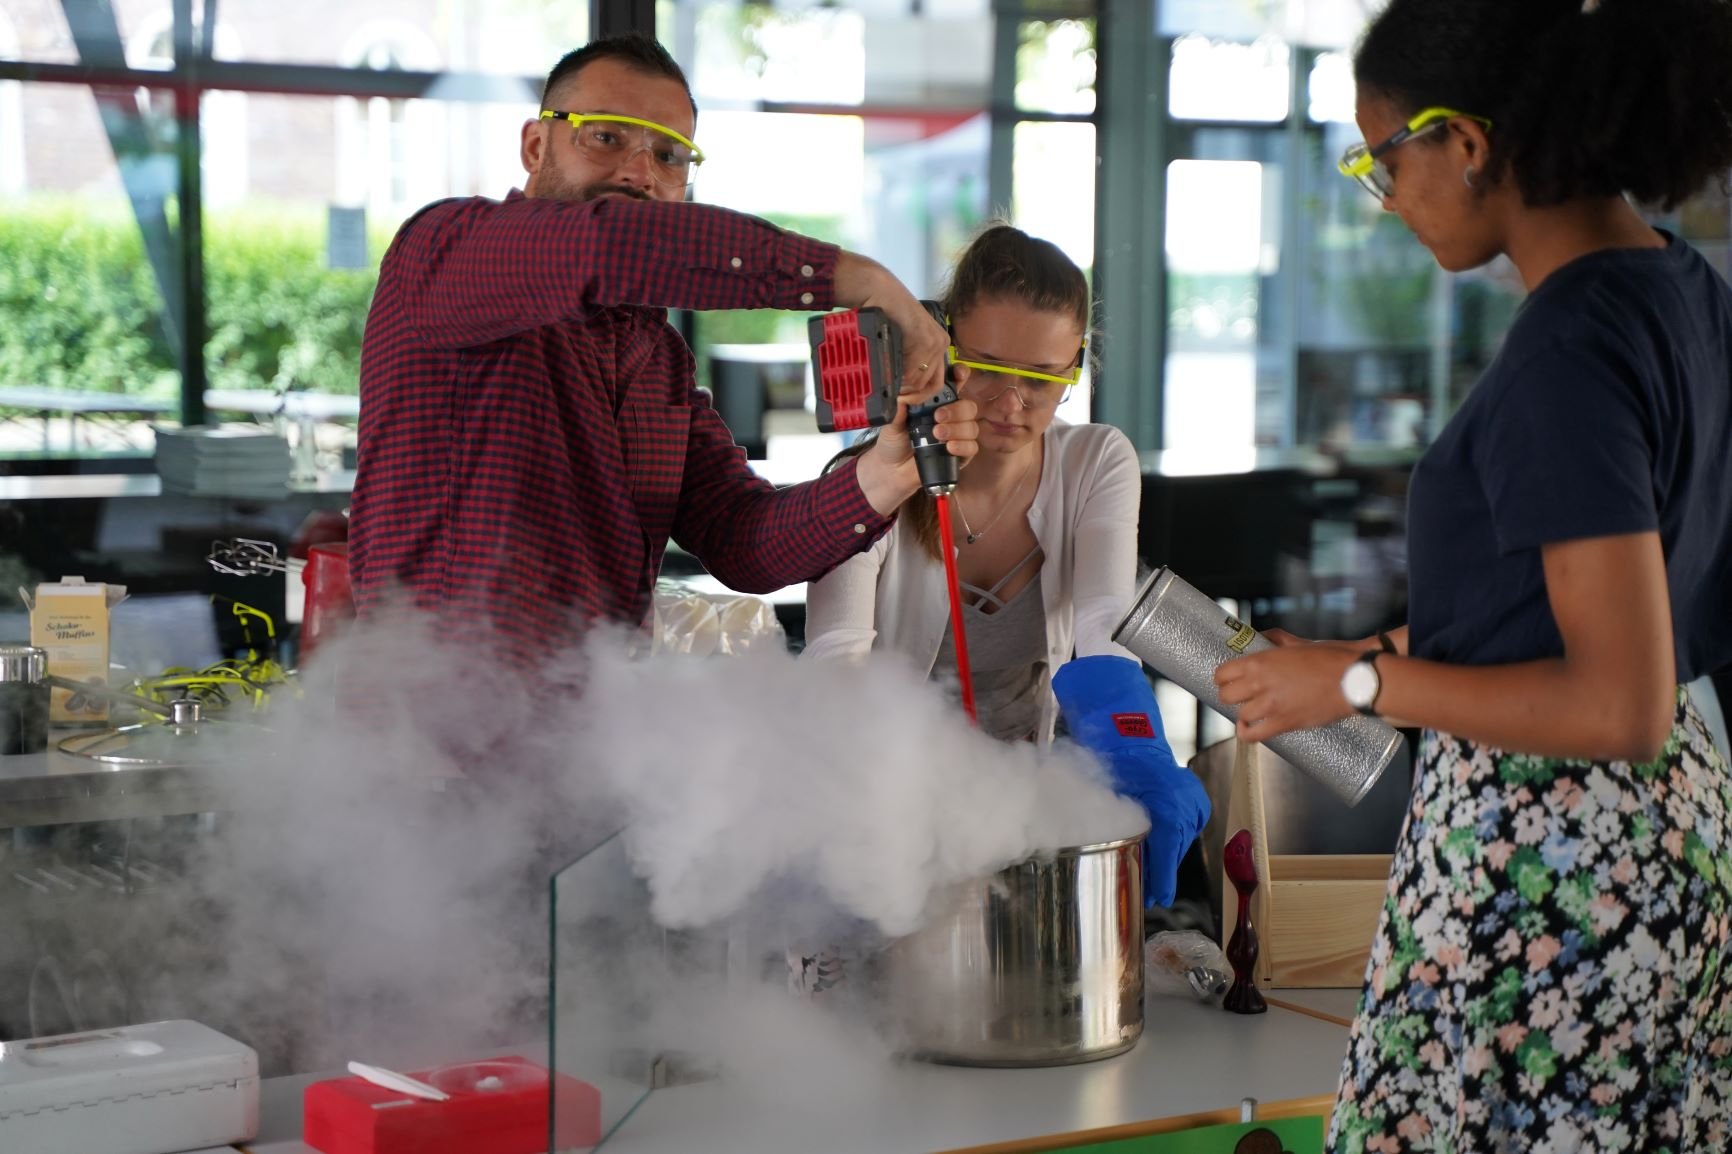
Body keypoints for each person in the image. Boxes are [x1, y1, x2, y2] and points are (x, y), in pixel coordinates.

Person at [1213, 1, 1732, 1148]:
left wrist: (1354, 691)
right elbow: (1561, 618)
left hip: (1558, 867)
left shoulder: (1570, 349)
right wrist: (1355, 659)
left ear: (1465, 139)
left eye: (1380, 157)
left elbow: (1614, 702)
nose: (1385, 196)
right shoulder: (1677, 289)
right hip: (1660, 835)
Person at [348, 34, 977, 660]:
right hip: (427, 731)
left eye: (671, 154)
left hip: (595, 736)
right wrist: (860, 279)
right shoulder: (442, 249)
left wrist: (887, 473)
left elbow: (744, 542)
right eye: (606, 136)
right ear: (536, 145)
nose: (640, 172)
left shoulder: (659, 359)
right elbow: (607, 245)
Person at [802, 224, 1207, 907]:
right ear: (939, 344)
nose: (1011, 405)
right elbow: (835, 660)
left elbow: (1105, 621)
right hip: (877, 812)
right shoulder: (869, 477)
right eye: (986, 369)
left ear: (1076, 366)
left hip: (1023, 805)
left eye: (1043, 381)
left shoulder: (1096, 461)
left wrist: (1137, 751)